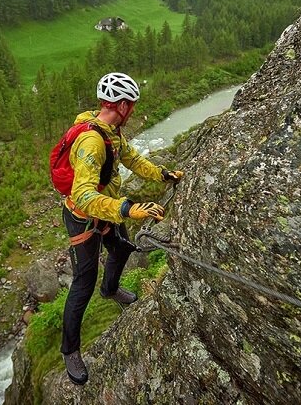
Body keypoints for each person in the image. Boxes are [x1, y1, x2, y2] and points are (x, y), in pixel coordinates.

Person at [60, 72, 184, 385]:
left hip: (108, 209)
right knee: (83, 282)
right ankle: (70, 350)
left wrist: (163, 174)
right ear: (124, 105)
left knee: (121, 247)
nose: (135, 111)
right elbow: (83, 195)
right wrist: (127, 208)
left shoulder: (111, 131)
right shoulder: (92, 141)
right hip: (83, 217)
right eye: (133, 106)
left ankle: (111, 289)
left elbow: (132, 159)